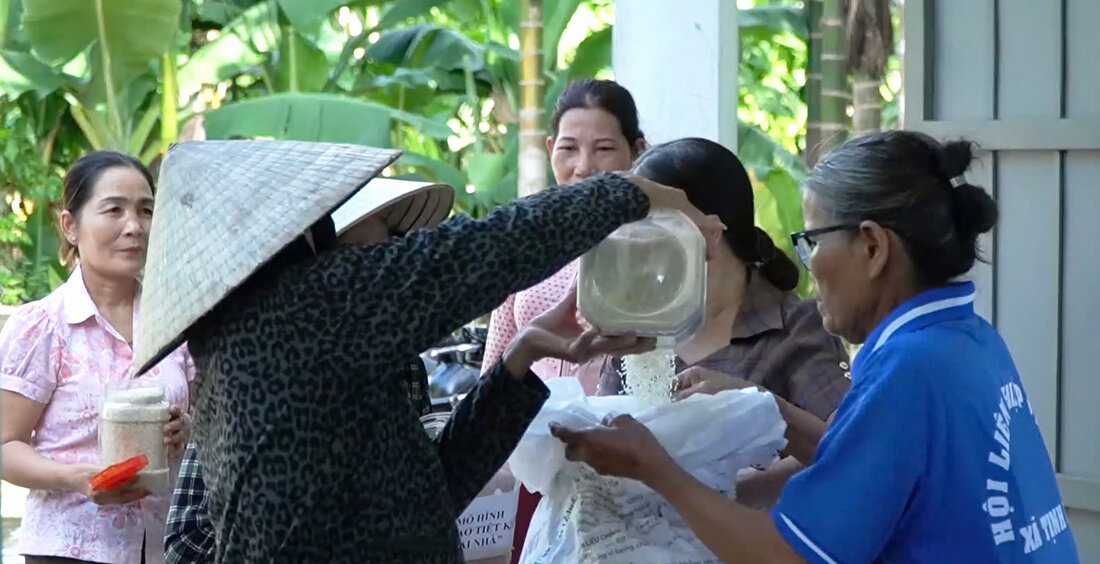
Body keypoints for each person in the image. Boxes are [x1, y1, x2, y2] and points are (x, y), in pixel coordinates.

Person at [131, 139, 721, 563]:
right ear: (306, 234)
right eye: (389, 239)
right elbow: (492, 246)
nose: (399, 251)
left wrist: (524, 353)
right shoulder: (311, 306)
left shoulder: (276, 335)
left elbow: (431, 494)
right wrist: (635, 191)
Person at [550, 131, 1079, 563]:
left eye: (813, 242)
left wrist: (654, 468)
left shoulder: (909, 371)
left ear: (871, 246)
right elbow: (874, 467)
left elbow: (788, 555)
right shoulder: (968, 342)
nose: (808, 264)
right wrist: (769, 408)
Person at [594, 137, 850, 506]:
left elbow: (845, 450)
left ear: (708, 234)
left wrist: (707, 492)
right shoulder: (638, 326)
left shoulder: (795, 327)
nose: (640, 252)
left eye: (653, 234)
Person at [0, 151, 192, 564]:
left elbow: (205, 430)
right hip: (70, 548)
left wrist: (184, 430)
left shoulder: (175, 322)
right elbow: (4, 445)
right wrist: (74, 477)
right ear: (71, 227)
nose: (134, 227)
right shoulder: (43, 326)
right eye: (114, 210)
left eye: (145, 210)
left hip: (166, 547)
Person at [482, 79, 648, 394]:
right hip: (527, 429)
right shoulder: (524, 241)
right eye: (569, 148)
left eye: (604, 149)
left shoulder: (660, 247)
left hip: (617, 432)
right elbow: (495, 364)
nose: (584, 167)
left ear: (636, 150)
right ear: (550, 149)